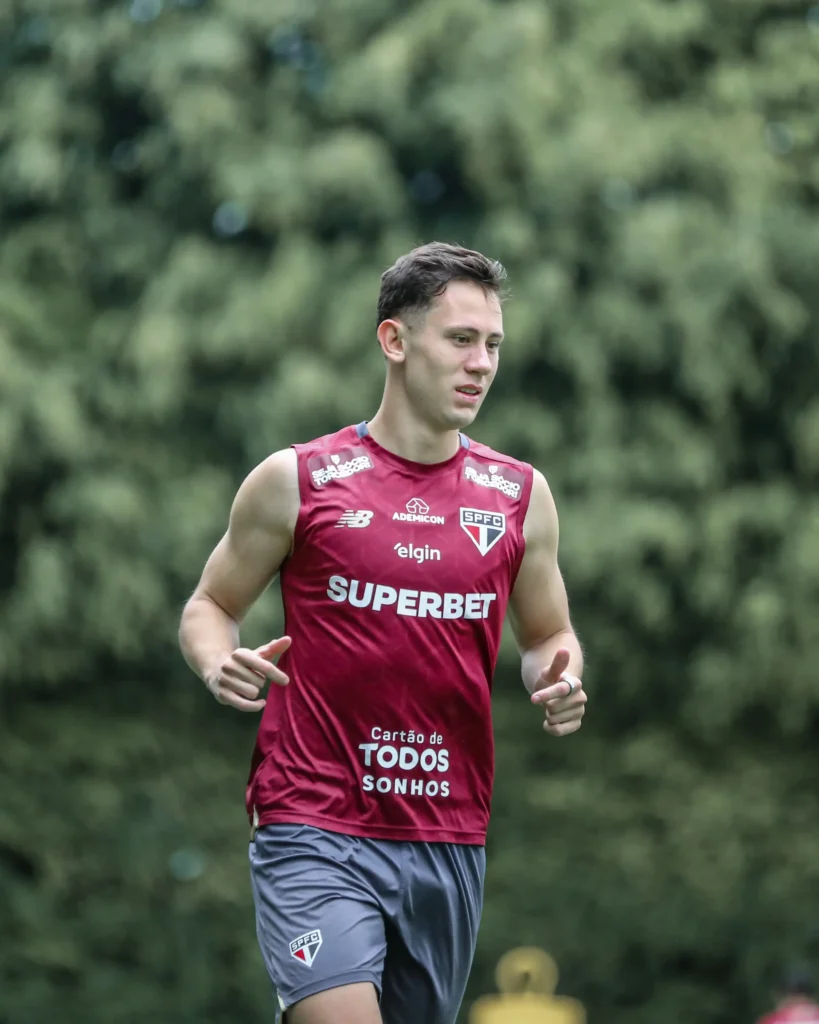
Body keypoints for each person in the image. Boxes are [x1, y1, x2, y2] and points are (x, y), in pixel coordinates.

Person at [179, 242, 586, 1024]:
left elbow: (546, 635)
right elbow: (209, 604)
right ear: (394, 340)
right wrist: (216, 660)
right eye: (459, 339)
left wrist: (556, 676)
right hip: (312, 818)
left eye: (492, 344)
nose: (481, 364)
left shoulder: (518, 495)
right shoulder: (296, 480)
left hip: (446, 831)